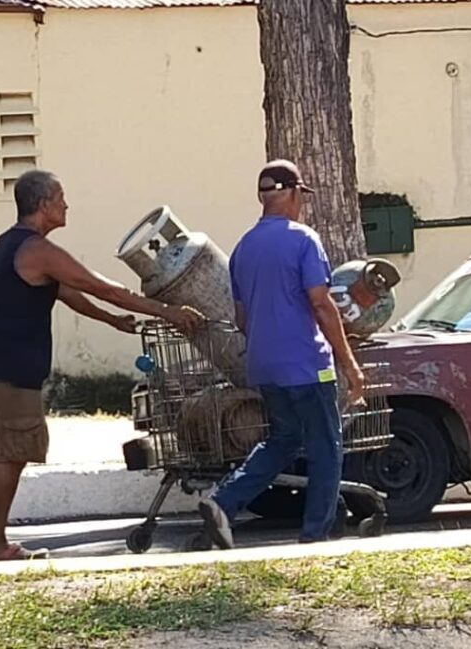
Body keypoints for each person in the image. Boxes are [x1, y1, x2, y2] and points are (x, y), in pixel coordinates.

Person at [0, 169, 204, 561]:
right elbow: (102, 287)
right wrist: (168, 312)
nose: (66, 204)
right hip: (8, 365)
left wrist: (112, 321)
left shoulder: (11, 244)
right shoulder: (38, 249)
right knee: (12, 450)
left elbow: (67, 292)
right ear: (43, 204)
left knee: (19, 445)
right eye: (60, 197)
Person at [198, 160, 365, 549]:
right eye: (300, 197)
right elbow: (322, 305)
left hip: (264, 365)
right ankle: (315, 535)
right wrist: (350, 365)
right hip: (308, 364)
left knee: (283, 439)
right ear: (291, 193)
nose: (301, 205)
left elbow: (241, 318)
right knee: (326, 445)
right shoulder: (304, 240)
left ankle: (223, 502)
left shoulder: (243, 248)